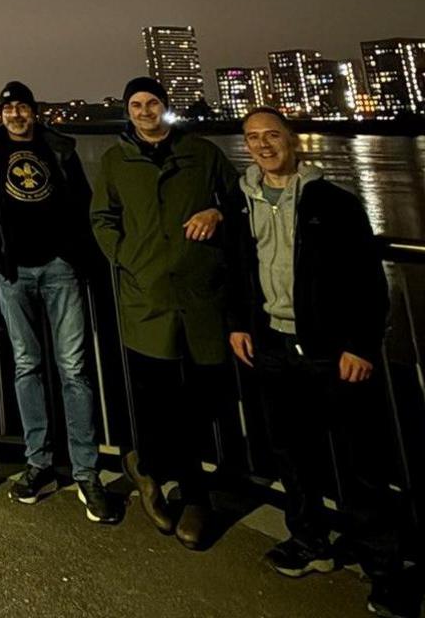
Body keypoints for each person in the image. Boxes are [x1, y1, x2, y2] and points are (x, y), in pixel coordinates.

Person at [229, 108, 416, 618]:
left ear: (292, 141)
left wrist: (360, 342)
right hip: (270, 345)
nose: (264, 146)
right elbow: (239, 268)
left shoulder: (334, 202)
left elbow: (367, 278)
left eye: (272, 136)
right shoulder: (238, 201)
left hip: (329, 350)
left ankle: (385, 570)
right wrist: (240, 322)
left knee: (360, 464)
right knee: (291, 453)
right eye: (253, 138)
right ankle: (310, 542)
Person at [90, 76, 240, 549]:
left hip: (200, 297)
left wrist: (217, 214)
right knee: (154, 396)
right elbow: (102, 218)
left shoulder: (202, 154)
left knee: (206, 397)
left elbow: (237, 198)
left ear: (165, 108)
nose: (144, 111)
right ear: (127, 111)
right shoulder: (117, 160)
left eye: (152, 103)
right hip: (145, 297)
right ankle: (158, 475)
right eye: (135, 104)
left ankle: (186, 485)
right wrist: (126, 256)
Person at [0, 81, 116, 523]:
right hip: (12, 270)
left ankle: (86, 470)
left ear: (34, 112)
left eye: (22, 107)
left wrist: (76, 254)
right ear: (1, 114)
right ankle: (39, 462)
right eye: (9, 108)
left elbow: (83, 203)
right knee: (27, 364)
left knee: (74, 368)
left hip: (60, 267)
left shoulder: (59, 148)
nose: (15, 114)